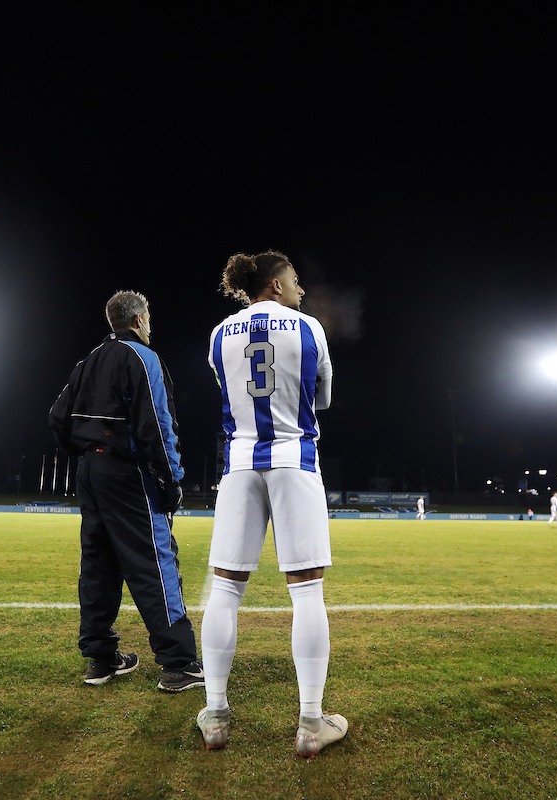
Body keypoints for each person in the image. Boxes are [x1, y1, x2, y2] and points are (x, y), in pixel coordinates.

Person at [196, 250, 347, 758]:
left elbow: (229, 392)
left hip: (240, 462)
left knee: (224, 586)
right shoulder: (307, 328)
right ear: (277, 286)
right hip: (294, 459)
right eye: (296, 281)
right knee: (306, 592)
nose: (301, 289)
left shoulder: (219, 334)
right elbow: (321, 398)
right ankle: (310, 724)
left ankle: (214, 714)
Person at [49, 290, 203, 692]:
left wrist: (86, 455)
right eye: (148, 317)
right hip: (128, 473)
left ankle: (100, 659)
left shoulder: (88, 360)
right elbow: (156, 426)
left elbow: (57, 417)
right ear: (137, 320)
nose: (150, 325)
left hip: (91, 471)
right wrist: (170, 483)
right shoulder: (142, 358)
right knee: (152, 560)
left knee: (98, 564)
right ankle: (179, 662)